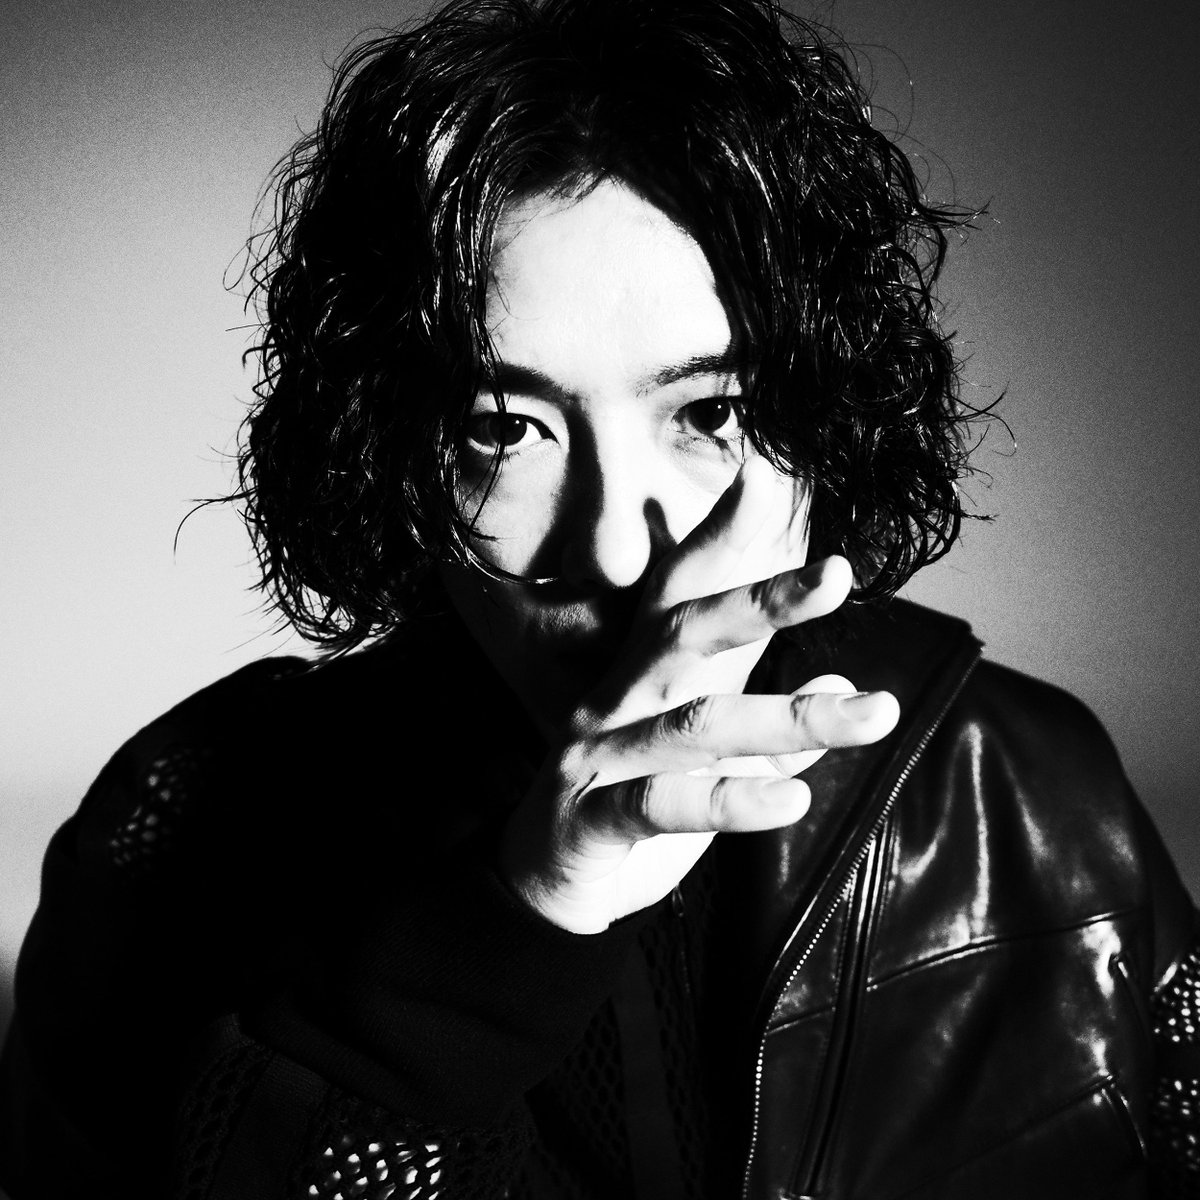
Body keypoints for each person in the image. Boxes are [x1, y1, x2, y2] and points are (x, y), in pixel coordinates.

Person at [1, 0, 1196, 1196]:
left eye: (708, 413)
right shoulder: (196, 810)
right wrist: (522, 919)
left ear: (822, 423)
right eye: (504, 428)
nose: (621, 551)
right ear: (392, 448)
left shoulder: (1024, 790)